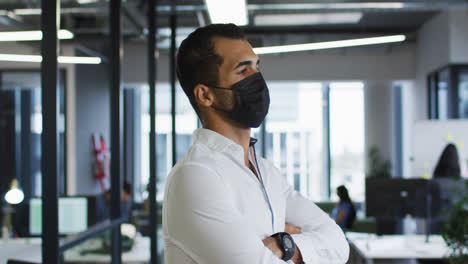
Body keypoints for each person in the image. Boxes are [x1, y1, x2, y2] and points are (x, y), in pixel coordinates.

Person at [163, 23, 349, 264]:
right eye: (242, 71)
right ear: (205, 95)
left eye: (256, 66)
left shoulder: (268, 174)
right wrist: (305, 251)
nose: (257, 79)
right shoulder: (195, 175)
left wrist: (284, 245)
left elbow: (338, 245)